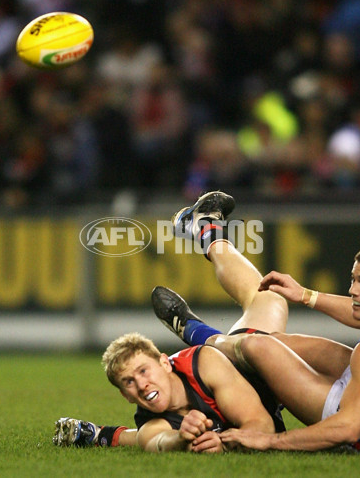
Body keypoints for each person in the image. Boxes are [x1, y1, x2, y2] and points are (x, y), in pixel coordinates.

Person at [158, 191, 360, 452]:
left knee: (257, 344)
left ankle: (198, 331)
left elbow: (348, 429)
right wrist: (305, 295)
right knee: (269, 326)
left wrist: (269, 440)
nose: (352, 290)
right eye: (353, 280)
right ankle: (206, 234)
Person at [54, 191, 289, 452]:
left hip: (255, 367)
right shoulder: (151, 424)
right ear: (124, 395)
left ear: (165, 362)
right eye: (129, 382)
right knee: (268, 303)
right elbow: (158, 441)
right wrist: (183, 438)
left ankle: (206, 236)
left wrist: (220, 442)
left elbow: (262, 426)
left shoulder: (204, 364)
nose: (141, 385)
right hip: (259, 379)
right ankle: (100, 435)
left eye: (143, 371)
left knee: (269, 301)